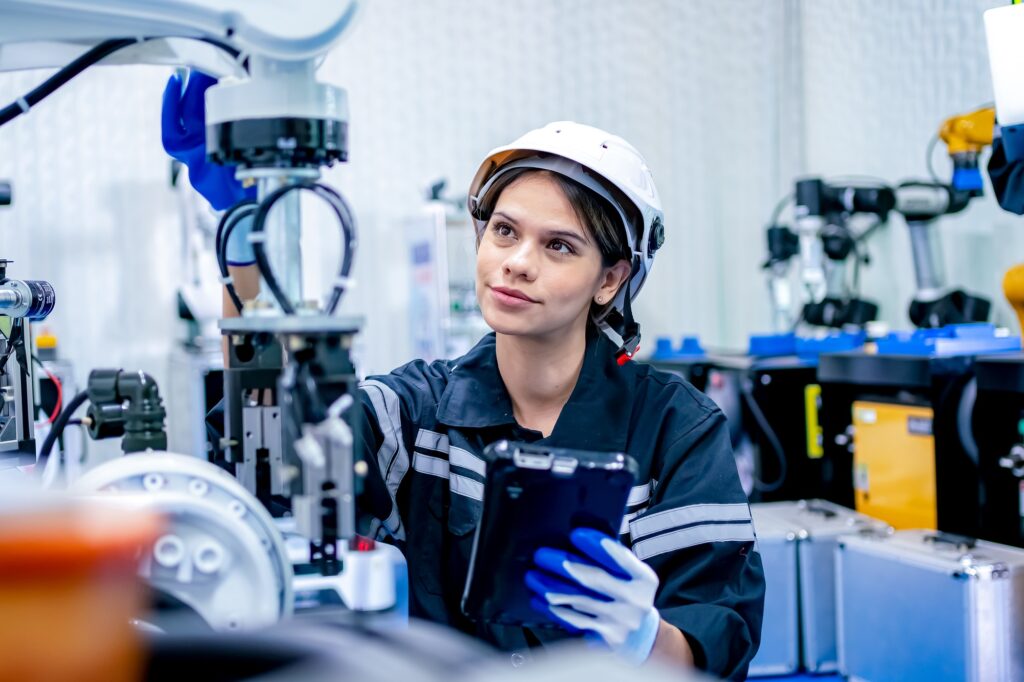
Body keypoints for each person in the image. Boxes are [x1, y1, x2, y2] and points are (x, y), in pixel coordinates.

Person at [164, 75, 765, 680]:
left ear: (610, 279)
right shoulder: (416, 412)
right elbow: (269, 456)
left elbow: (716, 645)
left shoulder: (675, 430)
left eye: (559, 246)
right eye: (504, 230)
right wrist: (246, 232)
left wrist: (645, 639)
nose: (517, 262)